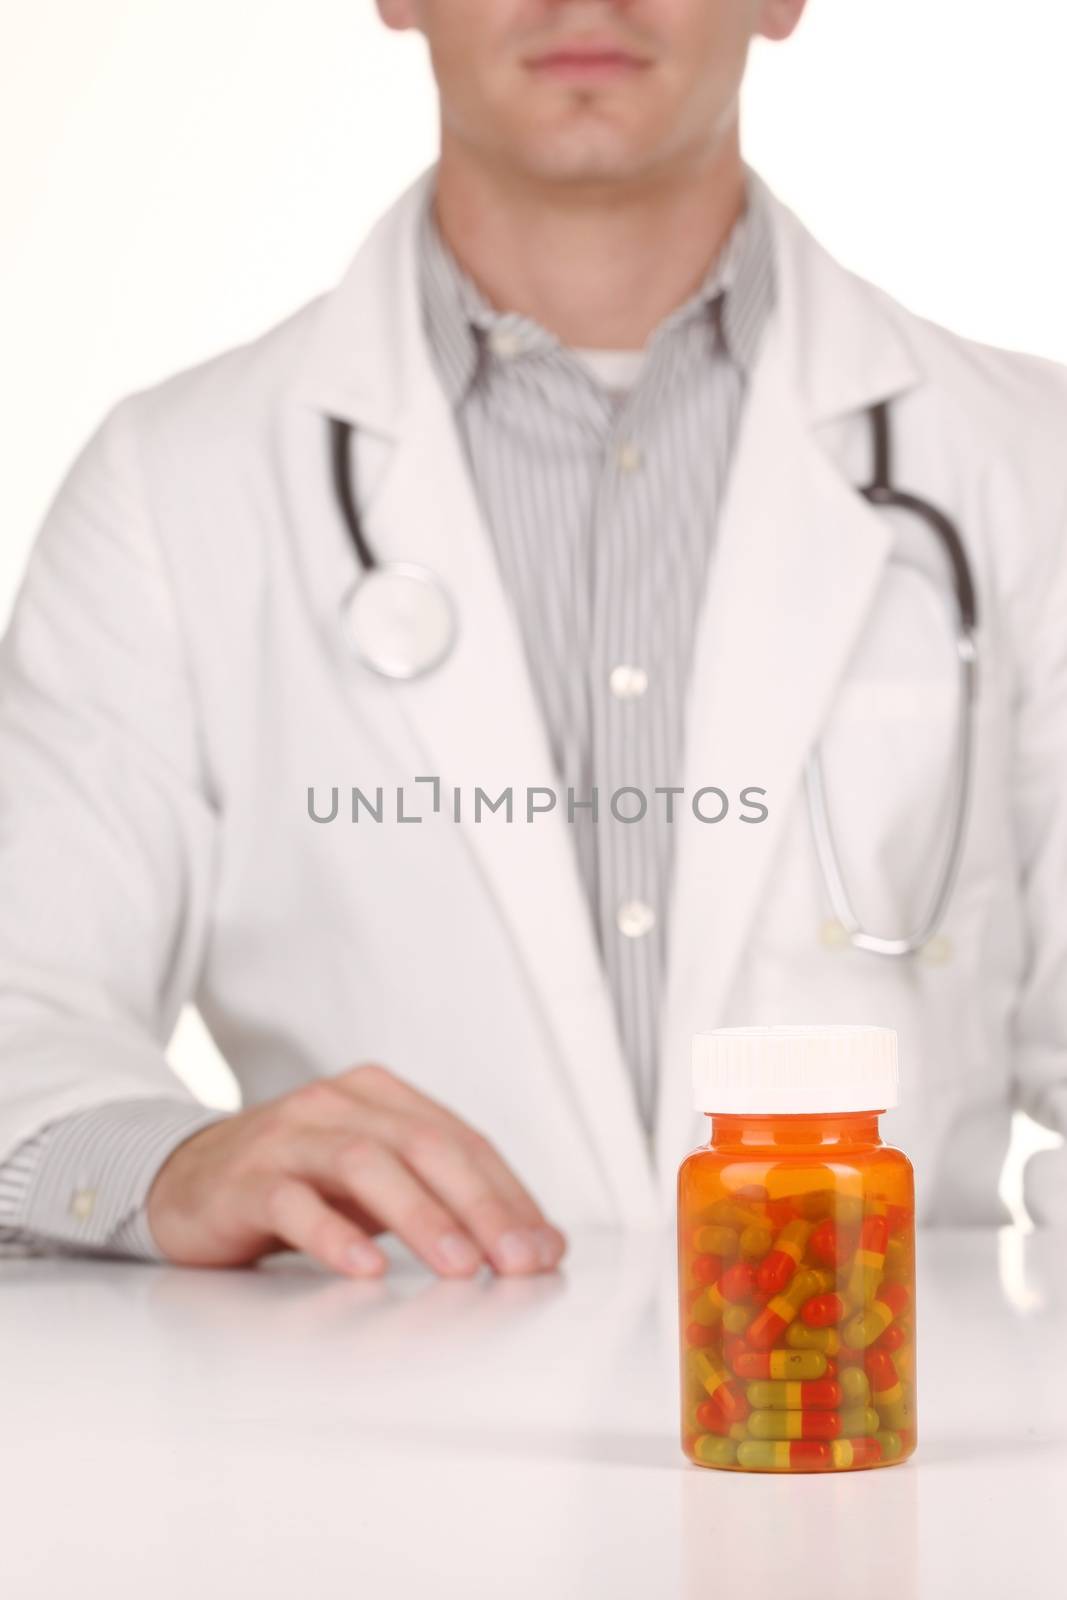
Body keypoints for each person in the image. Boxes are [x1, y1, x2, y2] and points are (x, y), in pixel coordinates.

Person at [2, 0, 1066, 1282]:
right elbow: (24, 1010)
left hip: (872, 1423)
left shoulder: (1024, 466)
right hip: (356, 1447)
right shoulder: (174, 488)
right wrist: (168, 1166)